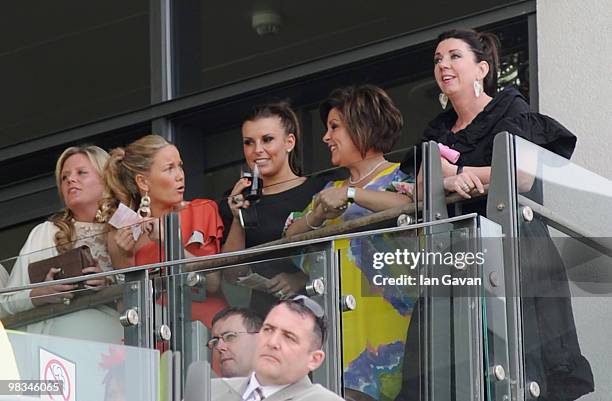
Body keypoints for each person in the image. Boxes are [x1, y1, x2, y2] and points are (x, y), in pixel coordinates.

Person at [395, 29, 593, 401]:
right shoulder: (438, 129)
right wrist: (456, 179)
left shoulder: (509, 107)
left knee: (519, 364)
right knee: (450, 367)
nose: (443, 65)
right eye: (438, 60)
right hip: (458, 256)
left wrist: (455, 174)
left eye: (454, 56)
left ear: (481, 68)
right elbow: (422, 186)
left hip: (514, 253)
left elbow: (520, 173)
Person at [284, 85, 414, 401]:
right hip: (333, 328)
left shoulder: (404, 177)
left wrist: (352, 194)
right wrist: (317, 215)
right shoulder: (330, 188)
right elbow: (290, 236)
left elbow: (411, 205)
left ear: (363, 126)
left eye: (334, 127)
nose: (326, 137)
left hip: (382, 333)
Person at [100, 134, 226, 328]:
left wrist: (168, 241)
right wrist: (125, 256)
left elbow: (212, 282)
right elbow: (126, 305)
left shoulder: (201, 210)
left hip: (206, 329)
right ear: (143, 182)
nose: (180, 175)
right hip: (153, 334)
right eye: (169, 168)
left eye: (180, 165)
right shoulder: (121, 228)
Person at [0, 145, 123, 343]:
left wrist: (107, 285)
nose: (71, 180)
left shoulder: (126, 227)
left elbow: (148, 297)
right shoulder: (45, 232)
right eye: (64, 177)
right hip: (57, 353)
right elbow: (4, 304)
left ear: (106, 178)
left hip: (117, 352)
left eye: (81, 173)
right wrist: (39, 294)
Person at [219, 102, 332, 316]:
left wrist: (300, 279)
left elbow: (341, 254)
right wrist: (237, 217)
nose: (257, 150)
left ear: (290, 142)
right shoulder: (236, 199)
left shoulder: (319, 189)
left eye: (267, 140)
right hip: (262, 317)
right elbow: (232, 275)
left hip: (316, 311)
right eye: (249, 142)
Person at [212, 295, 344, 401]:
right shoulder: (210, 391)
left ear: (314, 360)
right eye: (268, 329)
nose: (272, 342)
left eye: (289, 337)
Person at [208, 307, 262, 378]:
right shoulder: (207, 388)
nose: (219, 347)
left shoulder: (280, 386)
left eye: (230, 336)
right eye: (215, 342)